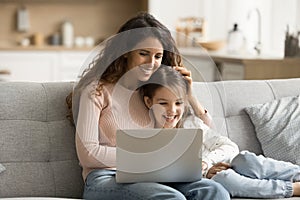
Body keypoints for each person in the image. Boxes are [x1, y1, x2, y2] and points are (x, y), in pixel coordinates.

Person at [68, 12, 230, 200]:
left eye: (158, 56)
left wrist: (189, 95)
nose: (151, 63)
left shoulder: (154, 94)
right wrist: (150, 157)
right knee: (170, 197)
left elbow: (206, 137)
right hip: (107, 177)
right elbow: (88, 154)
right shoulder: (96, 91)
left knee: (216, 191)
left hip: (156, 176)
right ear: (126, 53)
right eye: (143, 54)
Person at [140, 66, 300, 199]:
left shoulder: (190, 124)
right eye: (163, 103)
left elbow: (230, 146)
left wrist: (206, 163)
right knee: (224, 178)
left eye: (178, 103)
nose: (172, 110)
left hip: (226, 162)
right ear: (149, 102)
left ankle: (298, 174)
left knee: (245, 159)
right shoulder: (150, 137)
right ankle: (291, 188)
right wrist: (204, 171)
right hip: (213, 176)